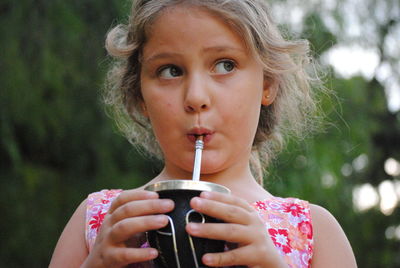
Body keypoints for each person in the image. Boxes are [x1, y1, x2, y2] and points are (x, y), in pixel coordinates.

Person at [50, 0, 357, 267]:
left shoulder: (313, 232)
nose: (196, 97)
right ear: (140, 96)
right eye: (170, 70)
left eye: (225, 65)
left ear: (267, 83)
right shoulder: (102, 221)